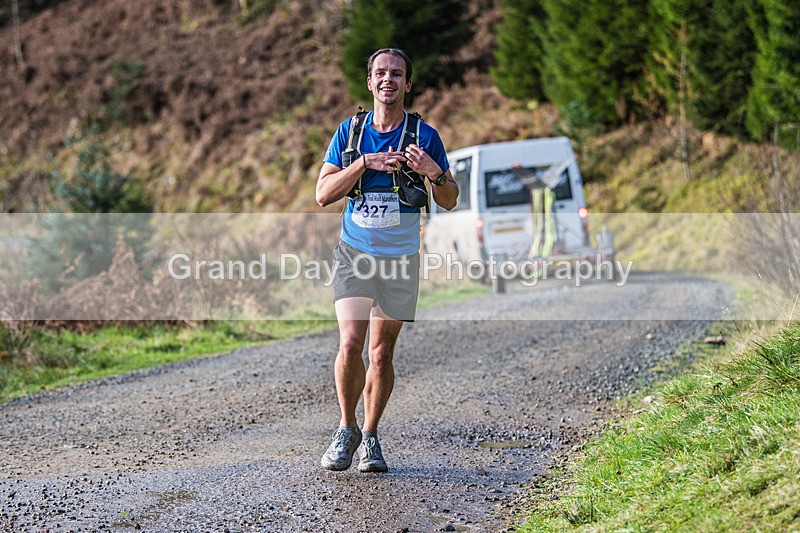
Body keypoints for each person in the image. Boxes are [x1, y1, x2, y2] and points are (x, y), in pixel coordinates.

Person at [315, 48, 458, 472]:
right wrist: (364, 163)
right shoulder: (350, 132)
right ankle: (346, 428)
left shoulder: (424, 136)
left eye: (396, 74)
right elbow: (323, 194)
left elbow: (450, 200)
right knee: (350, 343)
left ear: (407, 84)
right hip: (354, 253)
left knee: (381, 354)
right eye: (380, 73)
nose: (388, 80)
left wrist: (433, 171)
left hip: (399, 260)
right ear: (370, 82)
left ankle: (371, 436)